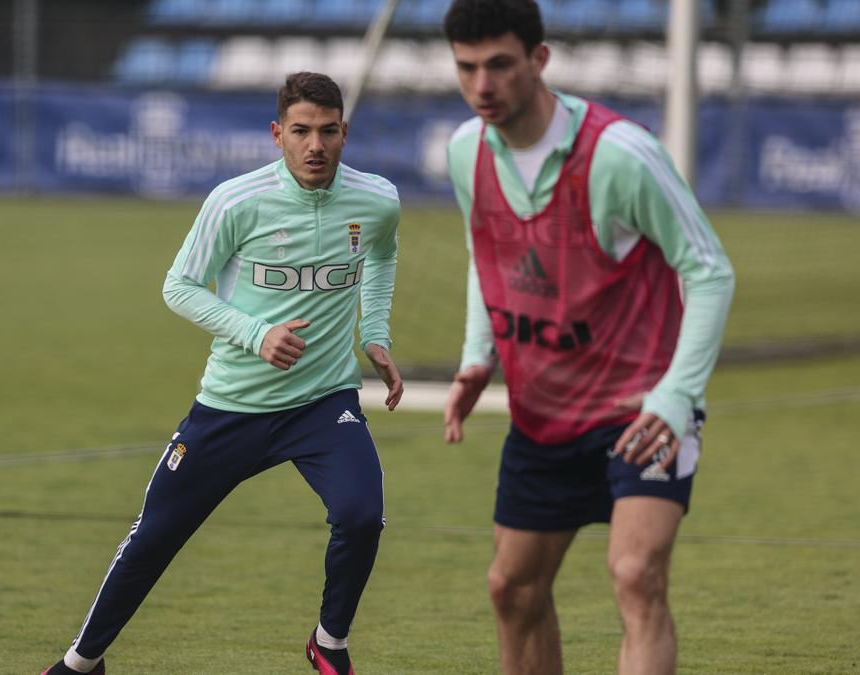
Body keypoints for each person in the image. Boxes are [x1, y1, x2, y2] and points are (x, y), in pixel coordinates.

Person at [41, 71, 403, 675]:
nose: (315, 145)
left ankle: (329, 643)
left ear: (345, 132)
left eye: (328, 131)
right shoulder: (236, 200)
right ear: (276, 134)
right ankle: (83, 662)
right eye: (301, 131)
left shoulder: (377, 200)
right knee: (155, 535)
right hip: (233, 405)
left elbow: (383, 256)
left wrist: (375, 334)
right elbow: (178, 286)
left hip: (323, 400)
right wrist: (256, 334)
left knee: (363, 515)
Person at [439, 1, 735, 673]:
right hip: (545, 414)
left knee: (635, 573)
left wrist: (677, 395)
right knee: (511, 589)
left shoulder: (620, 155)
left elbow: (711, 269)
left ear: (540, 60)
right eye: (466, 68)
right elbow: (485, 252)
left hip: (644, 410)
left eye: (499, 65)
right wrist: (478, 356)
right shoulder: (466, 152)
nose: (482, 85)